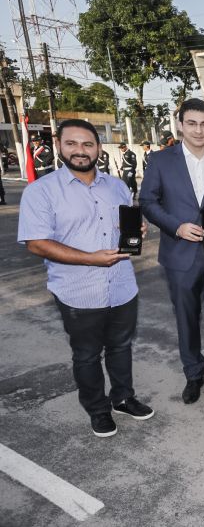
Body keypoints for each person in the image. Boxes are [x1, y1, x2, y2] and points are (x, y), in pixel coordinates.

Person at [17, 119, 154, 437]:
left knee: (121, 347)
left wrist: (137, 230)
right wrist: (90, 259)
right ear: (60, 146)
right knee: (87, 354)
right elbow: (37, 242)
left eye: (87, 144)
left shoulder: (117, 186)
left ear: (98, 148)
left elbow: (125, 223)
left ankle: (123, 398)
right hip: (77, 290)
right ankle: (97, 409)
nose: (80, 150)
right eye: (72, 143)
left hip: (121, 285)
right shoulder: (41, 191)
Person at [140, 98, 204, 405]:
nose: (199, 130)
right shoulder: (161, 161)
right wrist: (176, 227)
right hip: (180, 254)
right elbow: (148, 202)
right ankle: (193, 373)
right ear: (180, 125)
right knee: (186, 315)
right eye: (192, 123)